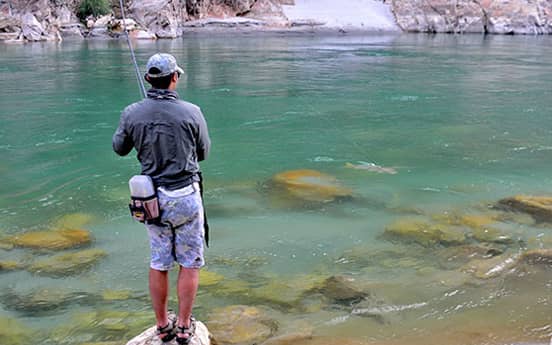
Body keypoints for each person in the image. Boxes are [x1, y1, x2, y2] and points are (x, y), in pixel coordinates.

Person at [112, 53, 210, 344]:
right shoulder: (192, 111)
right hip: (186, 197)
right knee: (190, 262)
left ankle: (161, 325)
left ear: (147, 80)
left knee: (159, 261)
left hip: (151, 199)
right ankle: (183, 326)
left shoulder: (131, 112)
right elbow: (203, 152)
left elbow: (119, 148)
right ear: (174, 79)